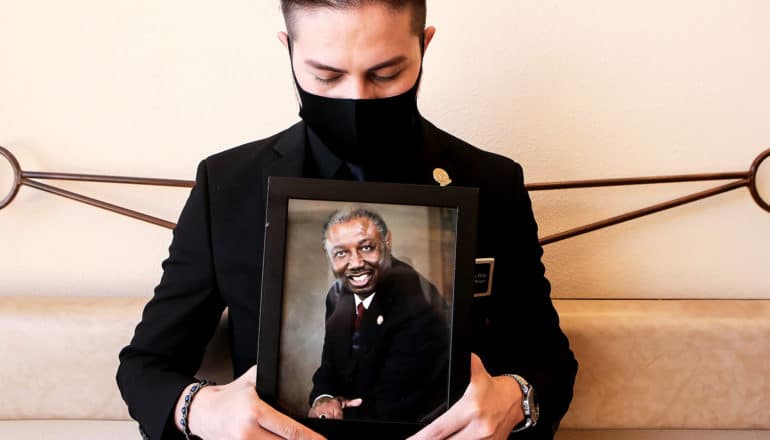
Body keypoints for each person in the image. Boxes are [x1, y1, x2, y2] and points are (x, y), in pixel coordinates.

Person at [117, 1, 578, 439]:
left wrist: (517, 400)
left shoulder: (493, 181)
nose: (356, 97)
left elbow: (551, 360)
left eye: (386, 73)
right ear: (289, 51)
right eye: (326, 75)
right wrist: (199, 409)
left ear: (425, 45)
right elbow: (146, 365)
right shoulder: (227, 185)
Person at [307, 207, 450, 423]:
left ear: (387, 241)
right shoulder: (337, 296)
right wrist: (323, 400)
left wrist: (339, 413)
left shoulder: (416, 300)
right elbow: (331, 366)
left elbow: (397, 404)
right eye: (341, 253)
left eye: (366, 247)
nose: (355, 263)